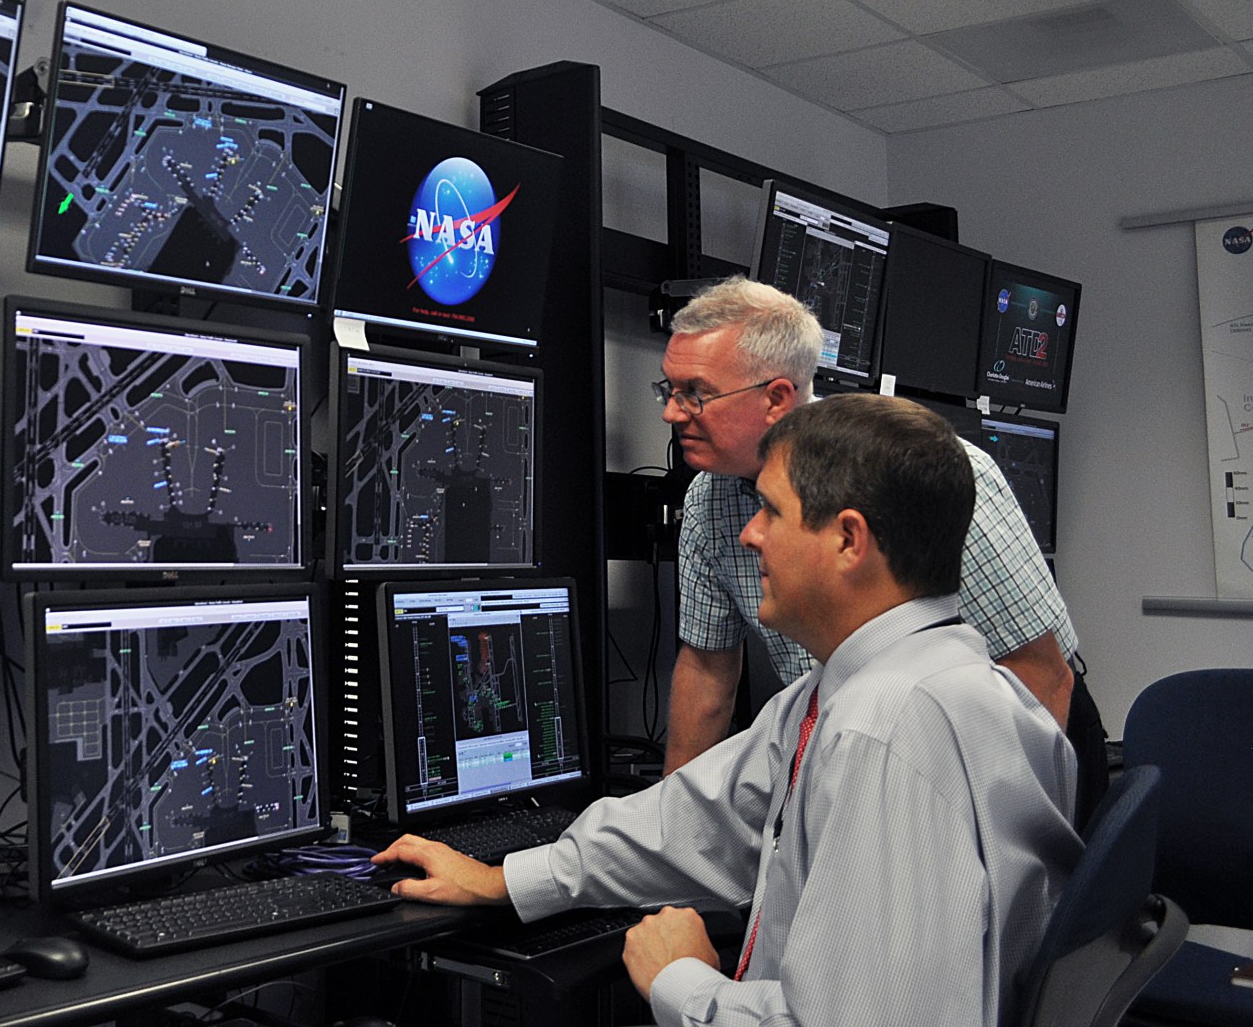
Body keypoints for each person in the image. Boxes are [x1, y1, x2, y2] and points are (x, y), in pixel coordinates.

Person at [374, 394, 1082, 1027]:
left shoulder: (887, 733)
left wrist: (680, 980)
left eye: (772, 511)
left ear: (848, 540)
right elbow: (695, 817)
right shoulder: (897, 682)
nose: (750, 535)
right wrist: (507, 880)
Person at [655, 278, 1106, 820]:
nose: (673, 413)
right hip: (854, 747)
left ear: (776, 398)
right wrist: (667, 827)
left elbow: (1038, 674)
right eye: (669, 390)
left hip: (1013, 752)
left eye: (695, 394)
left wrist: (1008, 853)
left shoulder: (926, 473)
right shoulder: (709, 499)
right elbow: (705, 673)